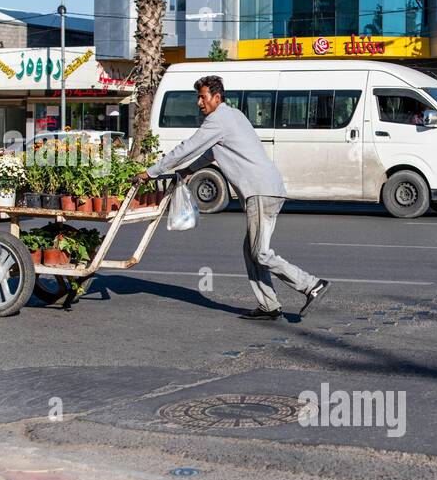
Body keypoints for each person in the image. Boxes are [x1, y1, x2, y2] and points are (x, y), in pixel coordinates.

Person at [134, 75, 330, 322]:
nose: (199, 103)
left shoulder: (218, 120)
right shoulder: (233, 116)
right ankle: (269, 304)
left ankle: (311, 285)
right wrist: (187, 171)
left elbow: (188, 147)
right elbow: (211, 153)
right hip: (265, 188)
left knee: (260, 253)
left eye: (202, 97)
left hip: (260, 191)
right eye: (198, 97)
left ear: (217, 97)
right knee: (251, 251)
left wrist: (151, 171)